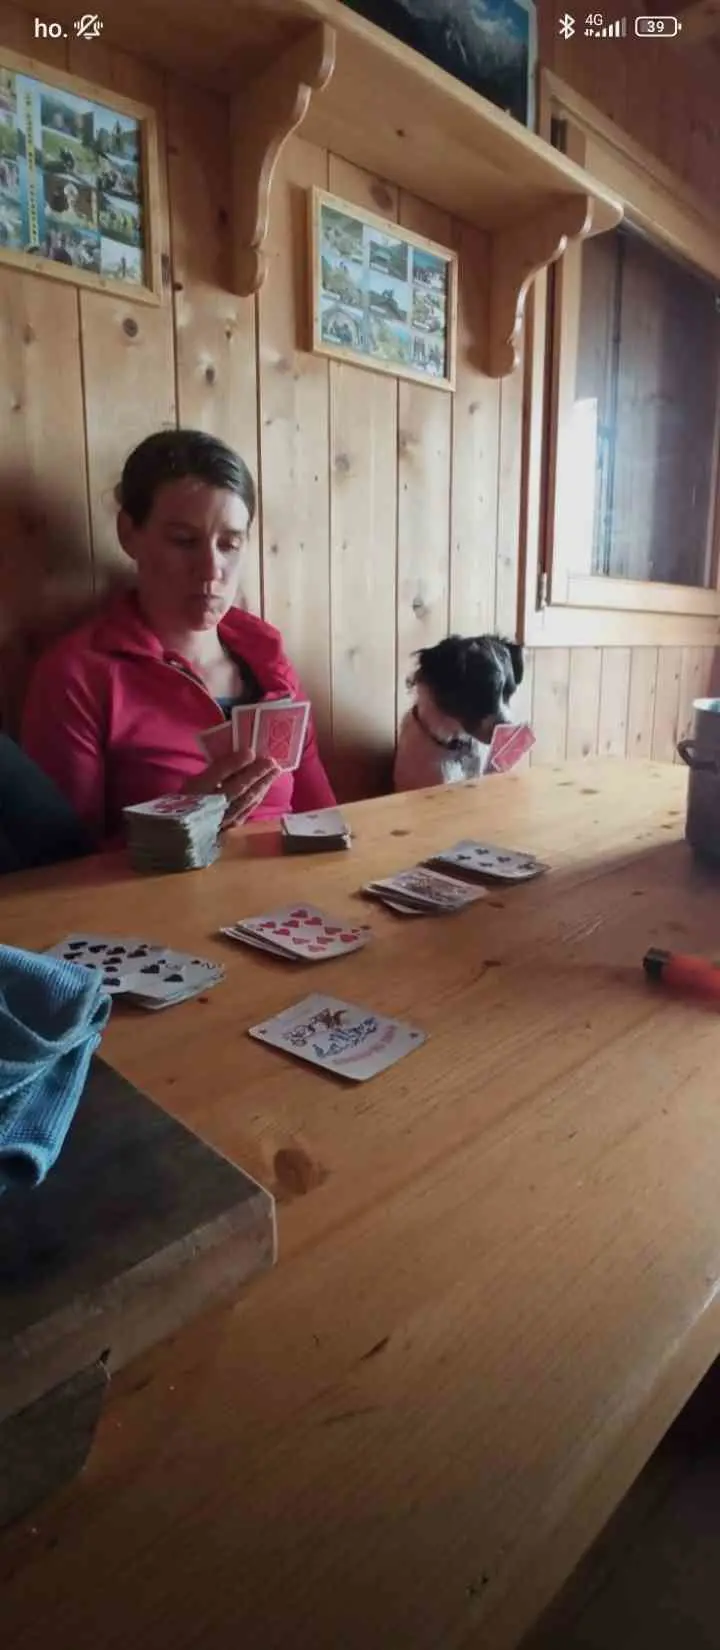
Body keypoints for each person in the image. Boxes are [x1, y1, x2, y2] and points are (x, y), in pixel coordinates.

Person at [21, 429, 336, 847]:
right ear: (129, 533)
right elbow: (60, 864)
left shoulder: (267, 660)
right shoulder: (79, 675)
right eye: (184, 541)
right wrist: (178, 820)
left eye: (230, 544)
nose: (211, 570)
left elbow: (325, 820)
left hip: (287, 882)